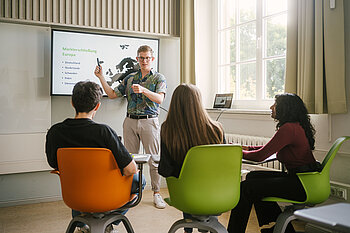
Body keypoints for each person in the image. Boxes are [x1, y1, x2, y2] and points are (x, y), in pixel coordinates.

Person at [46, 81, 145, 233]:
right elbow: (130, 169)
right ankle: (109, 221)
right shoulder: (104, 132)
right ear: (97, 106)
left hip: (76, 195)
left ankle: (83, 225)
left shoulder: (55, 132)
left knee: (80, 179)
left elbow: (54, 164)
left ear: (72, 103)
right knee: (141, 180)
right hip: (108, 194)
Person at [227, 93, 321, 233]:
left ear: (285, 108)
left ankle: (234, 231)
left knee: (246, 188)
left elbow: (259, 156)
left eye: (275, 105)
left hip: (303, 184)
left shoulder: (289, 128)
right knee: (253, 177)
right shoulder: (295, 126)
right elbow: (270, 148)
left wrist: (235, 152)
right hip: (304, 179)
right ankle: (280, 228)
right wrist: (246, 148)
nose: (271, 107)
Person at [94, 45, 167, 209]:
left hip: (150, 121)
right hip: (130, 121)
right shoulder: (129, 78)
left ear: (152, 59)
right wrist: (101, 77)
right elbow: (112, 94)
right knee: (129, 159)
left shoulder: (158, 78)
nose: (144, 61)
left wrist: (143, 90)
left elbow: (160, 99)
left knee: (154, 159)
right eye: (141, 58)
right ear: (137, 59)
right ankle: (129, 192)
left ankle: (156, 193)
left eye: (147, 58)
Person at [158, 83, 225, 233]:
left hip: (186, 196)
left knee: (186, 184)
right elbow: (222, 165)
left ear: (174, 104)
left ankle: (188, 227)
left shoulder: (167, 129)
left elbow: (165, 169)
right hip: (217, 192)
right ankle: (207, 225)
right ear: (198, 102)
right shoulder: (217, 128)